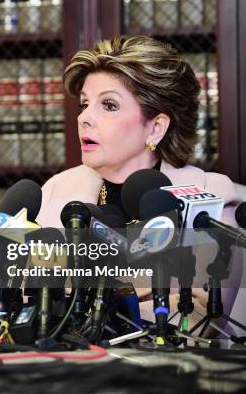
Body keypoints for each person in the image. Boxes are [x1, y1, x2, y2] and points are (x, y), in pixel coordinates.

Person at [34, 35, 243, 327]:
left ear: (155, 127)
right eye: (84, 104)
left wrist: (83, 312)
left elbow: (200, 319)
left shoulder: (211, 196)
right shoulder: (57, 191)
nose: (84, 118)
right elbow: (25, 297)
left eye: (108, 105)